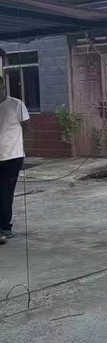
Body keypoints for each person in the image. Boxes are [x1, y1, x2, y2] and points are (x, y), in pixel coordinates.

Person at [0, 74, 29, 244]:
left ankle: (5, 227)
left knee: (5, 193)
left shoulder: (16, 105)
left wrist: (23, 149)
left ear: (3, 87)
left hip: (12, 157)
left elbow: (27, 127)